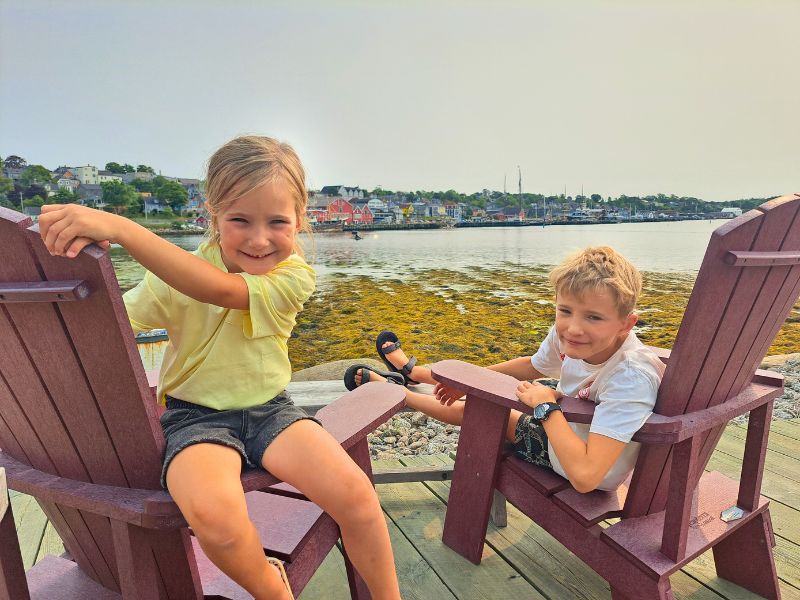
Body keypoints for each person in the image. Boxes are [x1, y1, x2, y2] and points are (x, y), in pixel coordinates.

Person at [39, 135, 401, 600]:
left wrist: (125, 230)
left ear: (299, 219)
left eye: (277, 222)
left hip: (272, 412)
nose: (259, 239)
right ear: (213, 213)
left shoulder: (293, 275)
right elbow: (111, 325)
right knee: (217, 521)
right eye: (239, 220)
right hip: (194, 419)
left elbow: (222, 290)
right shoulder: (171, 276)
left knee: (357, 497)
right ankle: (272, 588)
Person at [348, 246, 665, 493]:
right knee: (485, 391)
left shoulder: (630, 376)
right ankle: (416, 375)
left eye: (593, 317)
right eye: (565, 310)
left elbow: (586, 476)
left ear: (626, 324)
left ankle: (398, 393)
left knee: (479, 409)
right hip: (570, 424)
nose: (573, 328)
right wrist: (468, 380)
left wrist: (545, 407)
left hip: (573, 459)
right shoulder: (575, 338)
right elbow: (532, 366)